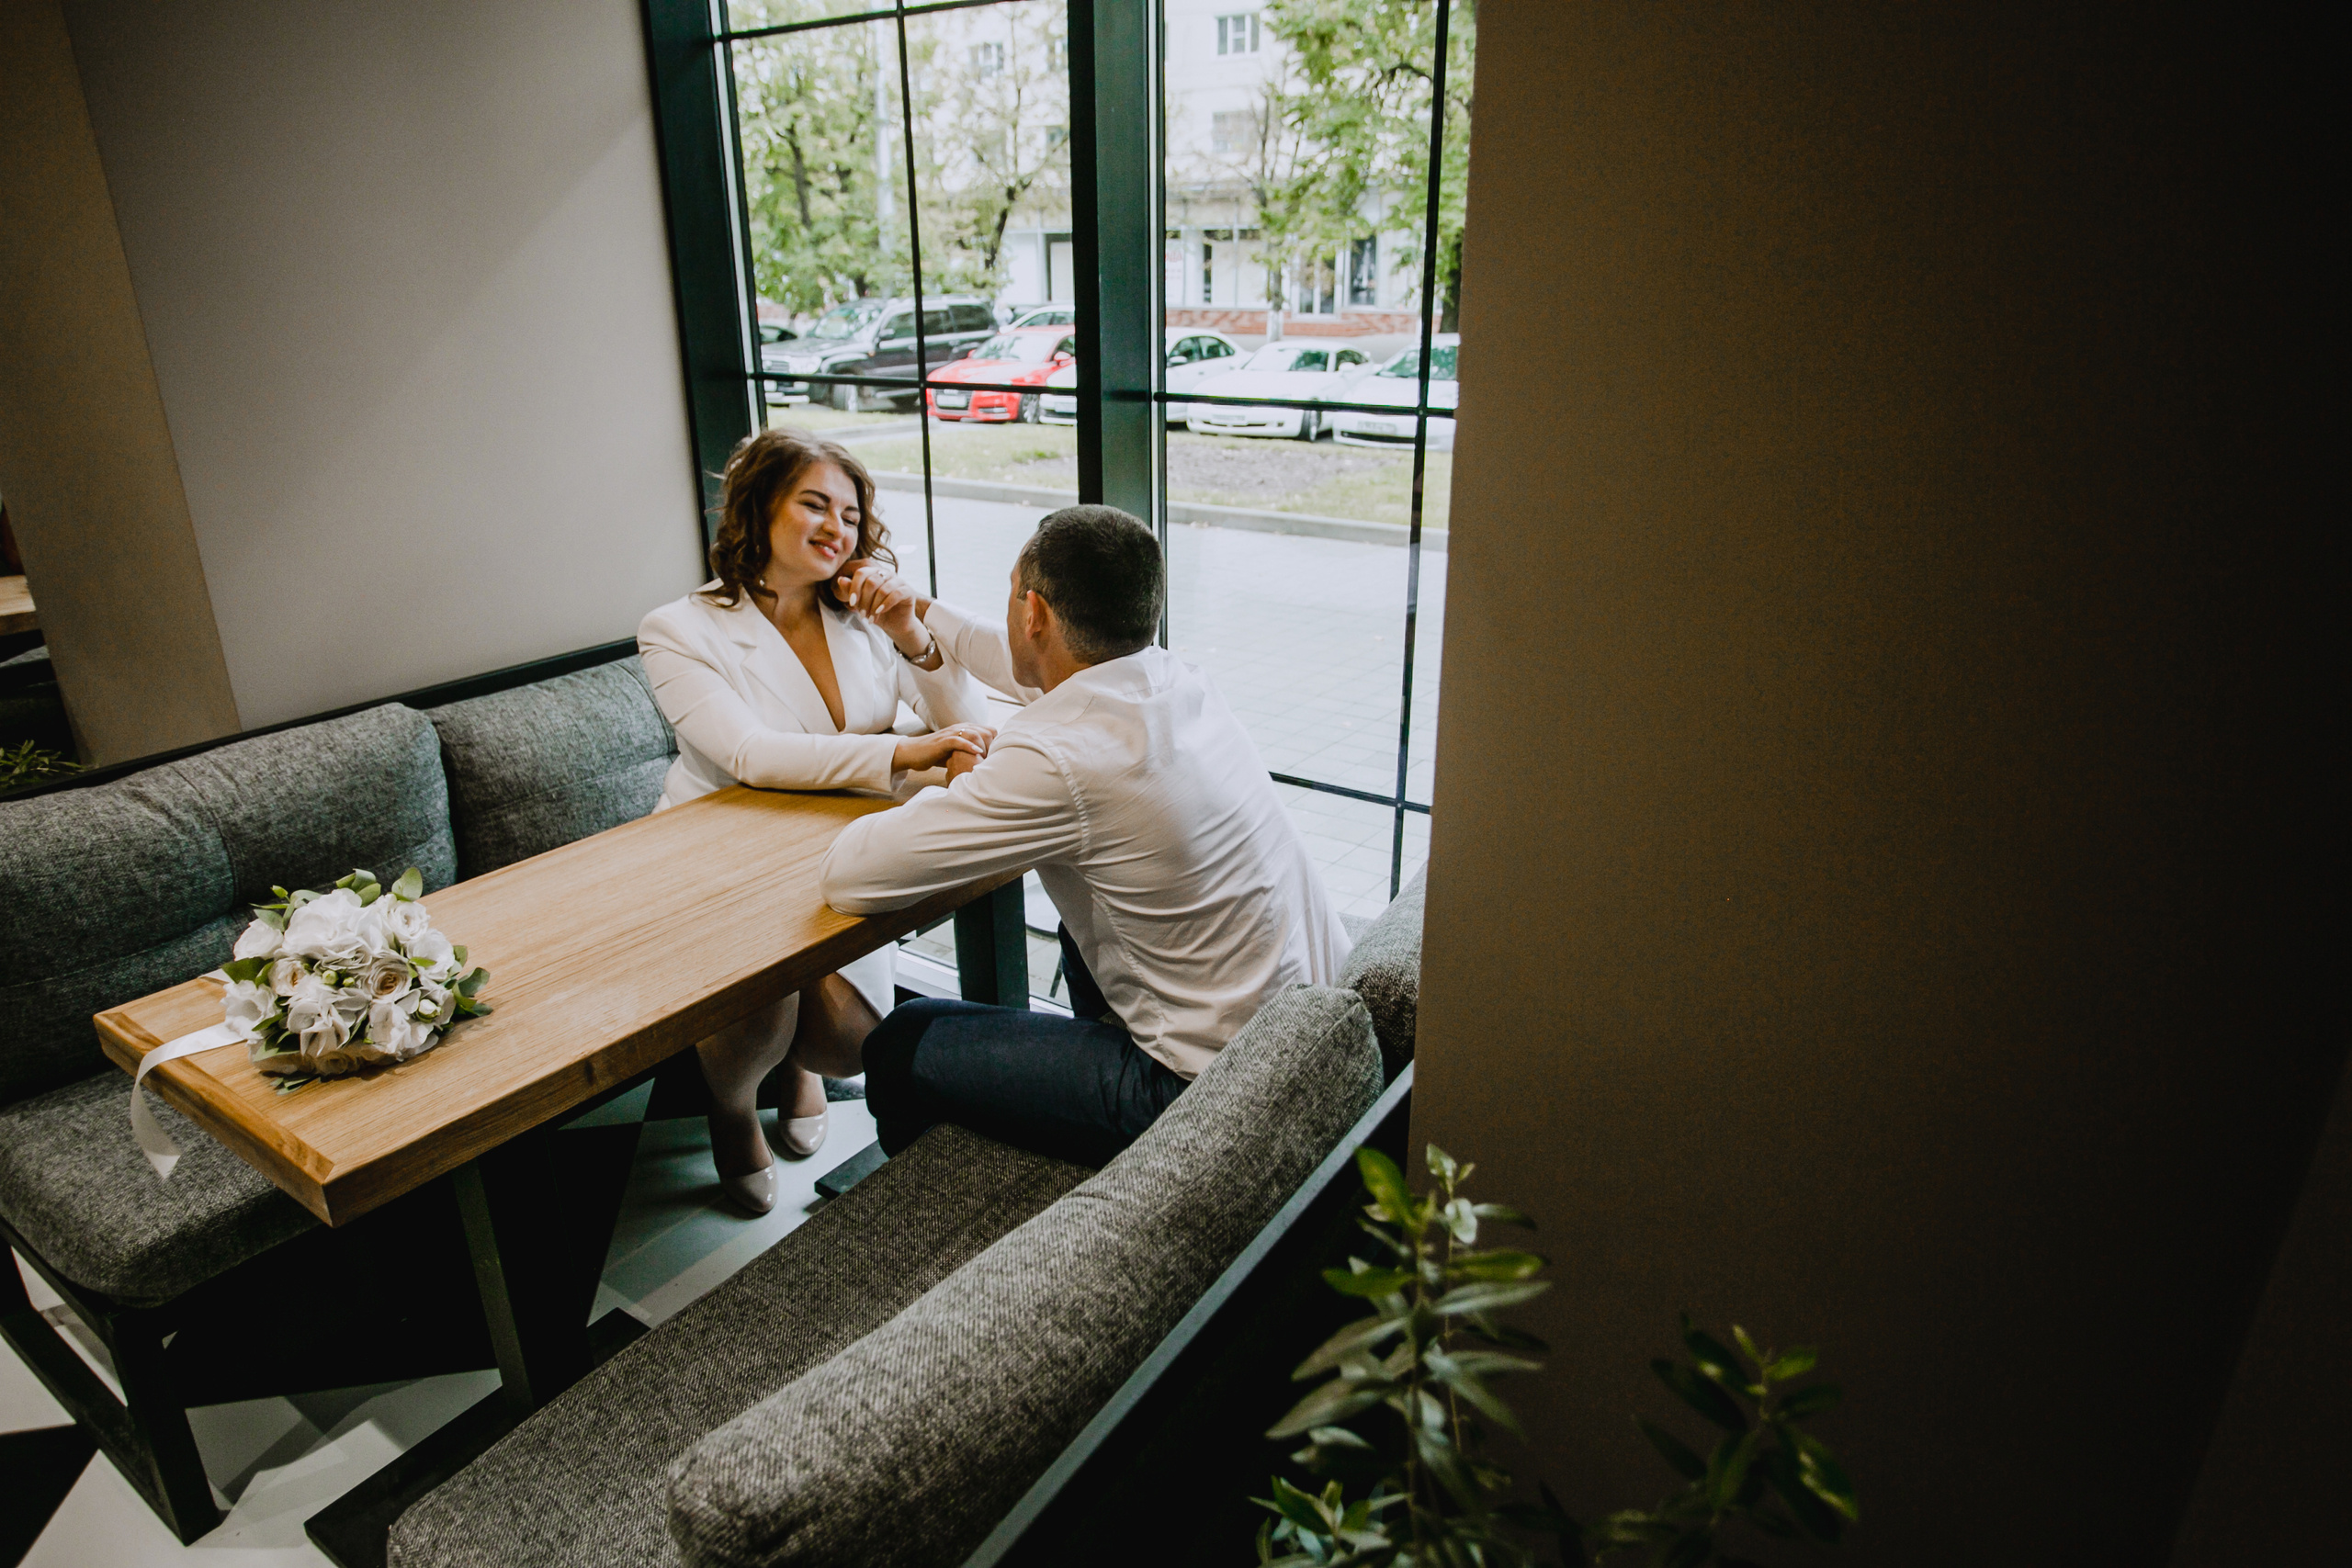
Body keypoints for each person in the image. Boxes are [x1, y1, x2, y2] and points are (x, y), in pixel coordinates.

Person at [819, 504, 1352, 1166]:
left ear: (1033, 612)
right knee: (1083, 914)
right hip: (1299, 1037)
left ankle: (942, 1212)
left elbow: (848, 874)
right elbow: (1014, 659)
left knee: (900, 1040)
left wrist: (959, 772)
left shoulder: (1057, 755)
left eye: (1014, 593)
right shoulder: (1173, 679)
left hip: (1202, 1090)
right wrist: (920, 610)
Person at [638, 427, 994, 1214]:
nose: (839, 527)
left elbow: (967, 723)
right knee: (760, 1009)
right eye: (815, 505)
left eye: (852, 512)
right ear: (760, 505)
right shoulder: (679, 629)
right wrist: (902, 757)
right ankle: (731, 1107)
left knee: (847, 1044)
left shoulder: (863, 613)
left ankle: (796, 1062)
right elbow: (752, 755)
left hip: (834, 847)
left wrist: (911, 636)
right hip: (719, 853)